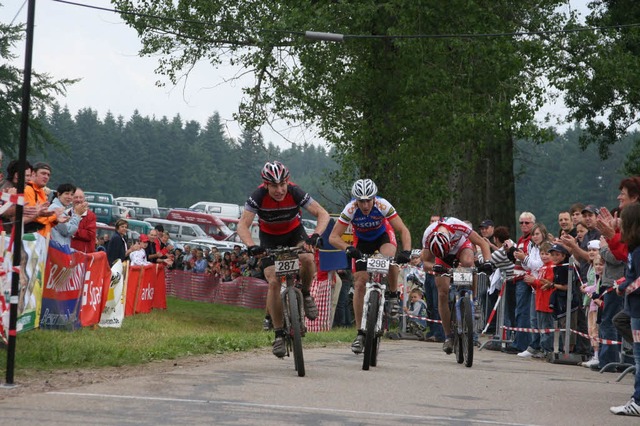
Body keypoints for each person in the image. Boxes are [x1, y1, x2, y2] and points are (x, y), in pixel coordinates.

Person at [237, 160, 329, 358]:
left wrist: (315, 235)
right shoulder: (258, 196)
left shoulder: (295, 192)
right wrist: (252, 246)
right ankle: (279, 334)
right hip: (269, 239)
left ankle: (305, 294)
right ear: (266, 185)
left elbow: (322, 214)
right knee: (273, 282)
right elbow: (242, 225)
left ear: (288, 182)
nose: (279, 190)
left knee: (307, 257)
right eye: (274, 186)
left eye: (282, 185)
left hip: (294, 233)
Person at [328, 178, 412, 354]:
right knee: (359, 283)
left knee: (389, 258)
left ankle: (392, 295)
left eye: (368, 200)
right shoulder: (350, 209)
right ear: (355, 200)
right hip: (362, 242)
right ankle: (360, 333)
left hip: (383, 236)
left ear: (374, 198)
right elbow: (333, 237)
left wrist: (407, 252)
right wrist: (348, 248)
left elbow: (403, 229)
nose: (365, 205)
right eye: (361, 201)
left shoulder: (382, 205)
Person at [420, 216, 492, 354]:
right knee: (442, 293)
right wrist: (435, 267)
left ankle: (474, 300)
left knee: (468, 263)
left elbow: (483, 244)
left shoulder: (457, 225)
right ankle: (448, 336)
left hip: (462, 248)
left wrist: (488, 261)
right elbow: (425, 264)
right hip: (442, 259)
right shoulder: (428, 235)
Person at [609, 202, 640, 417]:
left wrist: (623, 288)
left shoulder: (638, 251)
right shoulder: (633, 249)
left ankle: (638, 401)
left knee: (639, 357)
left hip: (638, 310)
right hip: (635, 308)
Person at [524, 241, 556, 356]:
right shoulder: (542, 268)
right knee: (541, 326)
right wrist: (531, 282)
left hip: (546, 303)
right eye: (542, 253)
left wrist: (535, 281)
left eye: (547, 253)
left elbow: (546, 283)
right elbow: (539, 286)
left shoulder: (551, 267)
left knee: (546, 327)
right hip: (539, 301)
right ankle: (543, 349)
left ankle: (547, 350)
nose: (544, 256)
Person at [23, 162, 65, 237]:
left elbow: (44, 221)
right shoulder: (28, 190)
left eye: (48, 175)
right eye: (43, 173)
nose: (46, 177)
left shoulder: (41, 191)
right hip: (32, 238)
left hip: (42, 237)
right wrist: (54, 215)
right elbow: (35, 217)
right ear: (33, 173)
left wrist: (55, 220)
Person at [48, 183, 86, 248]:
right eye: (66, 193)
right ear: (59, 194)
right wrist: (77, 215)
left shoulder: (61, 208)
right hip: (57, 250)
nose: (69, 197)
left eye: (72, 194)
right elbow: (67, 231)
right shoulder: (55, 209)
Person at [70, 187, 96, 253]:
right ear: (71, 198)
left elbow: (90, 235)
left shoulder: (90, 215)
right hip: (68, 253)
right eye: (76, 197)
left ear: (84, 199)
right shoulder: (67, 213)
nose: (78, 200)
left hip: (84, 255)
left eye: (81, 197)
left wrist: (72, 231)